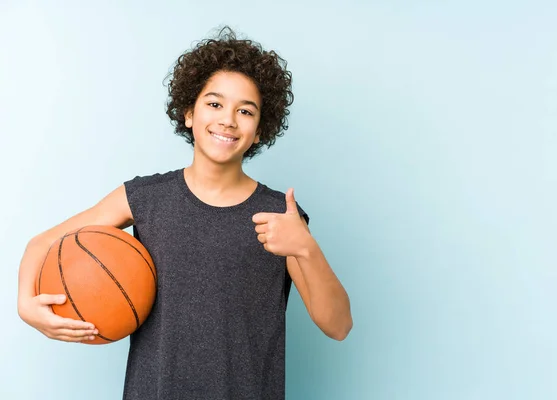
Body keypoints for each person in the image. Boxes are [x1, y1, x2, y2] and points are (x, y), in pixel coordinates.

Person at [17, 26, 353, 399]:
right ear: (188, 113)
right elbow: (41, 245)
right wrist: (27, 308)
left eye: (245, 111)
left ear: (260, 130)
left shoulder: (279, 217)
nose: (228, 119)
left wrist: (306, 248)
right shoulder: (145, 198)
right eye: (214, 104)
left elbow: (338, 326)